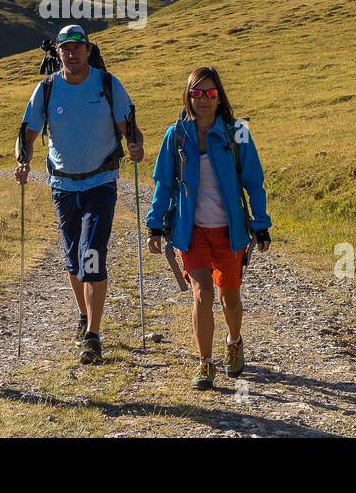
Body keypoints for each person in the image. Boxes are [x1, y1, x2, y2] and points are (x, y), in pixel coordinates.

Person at [14, 24, 144, 365]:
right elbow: (27, 134)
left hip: (101, 181)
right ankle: (84, 315)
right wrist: (23, 163)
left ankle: (93, 335)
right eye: (65, 49)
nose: (71, 54)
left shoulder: (107, 84)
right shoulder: (46, 89)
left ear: (88, 50)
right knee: (73, 258)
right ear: (58, 54)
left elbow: (128, 127)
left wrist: (135, 145)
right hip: (62, 185)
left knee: (92, 255)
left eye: (77, 47)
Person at [146, 67, 271, 391]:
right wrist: (155, 225)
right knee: (202, 293)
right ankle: (205, 362)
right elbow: (162, 183)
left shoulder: (237, 131)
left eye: (210, 93)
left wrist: (261, 224)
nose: (203, 99)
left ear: (219, 97)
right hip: (192, 231)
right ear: (187, 96)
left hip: (229, 232)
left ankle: (233, 341)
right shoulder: (175, 135)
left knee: (229, 297)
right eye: (197, 93)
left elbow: (254, 182)